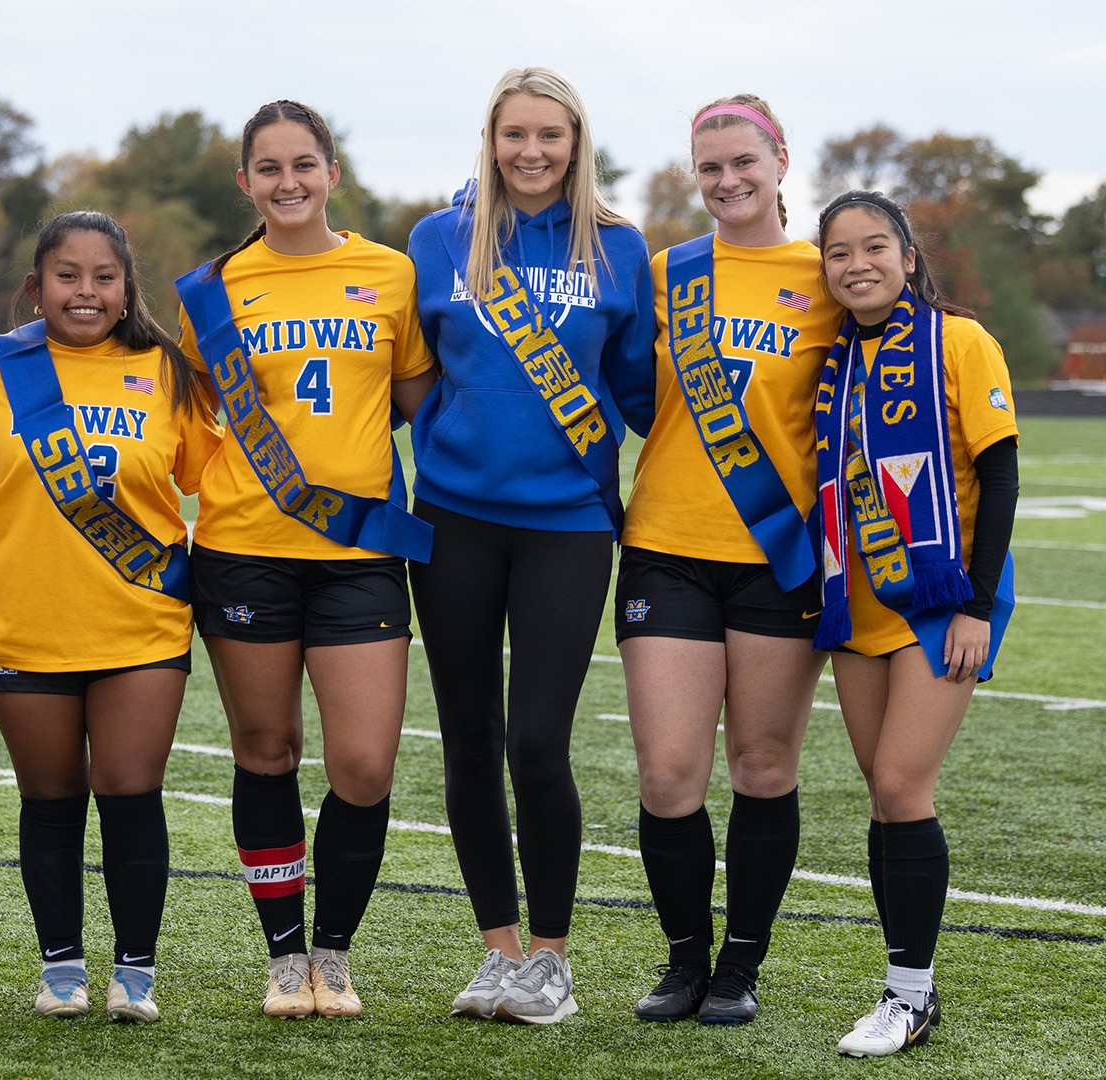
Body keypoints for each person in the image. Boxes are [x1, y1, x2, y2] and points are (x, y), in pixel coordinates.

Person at [173, 99, 436, 1019]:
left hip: (359, 552)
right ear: (245, 182)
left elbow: (409, 399)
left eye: (305, 165)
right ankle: (287, 957)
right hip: (244, 548)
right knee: (268, 750)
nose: (289, 183)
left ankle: (337, 949)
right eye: (269, 168)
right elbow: (194, 412)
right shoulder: (210, 287)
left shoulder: (390, 274)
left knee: (363, 766)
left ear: (334, 172)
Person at [405, 66, 654, 1025]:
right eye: (516, 135)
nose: (533, 152)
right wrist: (458, 441)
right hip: (456, 521)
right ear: (491, 139)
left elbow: (642, 396)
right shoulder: (439, 239)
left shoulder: (620, 248)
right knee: (469, 739)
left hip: (569, 527)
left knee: (539, 742)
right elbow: (413, 373)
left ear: (577, 141)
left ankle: (551, 956)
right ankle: (499, 954)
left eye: (551, 135)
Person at [0, 211, 220, 1024]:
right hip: (17, 616)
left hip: (139, 617)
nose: (87, 292)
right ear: (37, 286)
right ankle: (61, 966)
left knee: (131, 790)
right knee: (52, 797)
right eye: (68, 275)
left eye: (105, 277)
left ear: (127, 286)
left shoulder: (166, 371)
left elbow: (216, 476)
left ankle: (135, 971)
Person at [618, 94, 842, 1025]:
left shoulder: (828, 275)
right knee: (669, 773)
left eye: (744, 162)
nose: (727, 181)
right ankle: (682, 961)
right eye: (709, 168)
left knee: (761, 765)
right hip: (667, 546)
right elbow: (633, 392)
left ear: (782, 160)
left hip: (778, 556)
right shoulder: (669, 273)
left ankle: (740, 965)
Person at [810, 190, 1017, 1058]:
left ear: (907, 254)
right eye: (838, 253)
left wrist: (976, 604)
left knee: (902, 785)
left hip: (940, 600)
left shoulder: (959, 339)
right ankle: (907, 990)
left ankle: (910, 997)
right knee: (884, 799)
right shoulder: (835, 362)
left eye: (873, 247)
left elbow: (1000, 476)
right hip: (858, 603)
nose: (857, 264)